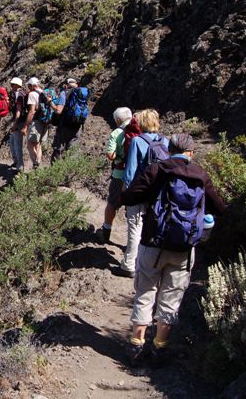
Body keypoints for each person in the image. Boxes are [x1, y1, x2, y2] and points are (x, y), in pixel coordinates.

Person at [120, 133, 226, 366]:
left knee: (145, 293)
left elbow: (128, 196)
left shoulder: (158, 170)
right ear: (190, 152)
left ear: (169, 149)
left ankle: (136, 347)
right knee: (171, 299)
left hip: (152, 243)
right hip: (184, 249)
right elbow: (219, 207)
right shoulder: (200, 175)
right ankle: (159, 348)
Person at [114, 109, 170, 278]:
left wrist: (125, 193)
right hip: (158, 193)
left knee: (134, 227)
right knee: (151, 228)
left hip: (139, 190)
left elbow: (130, 172)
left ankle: (129, 265)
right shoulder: (165, 141)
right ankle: (147, 264)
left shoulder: (137, 141)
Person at [96, 107, 132, 244]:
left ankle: (106, 231)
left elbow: (111, 155)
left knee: (112, 203)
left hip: (120, 173)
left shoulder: (117, 132)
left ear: (118, 120)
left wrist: (120, 156)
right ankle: (132, 241)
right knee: (133, 208)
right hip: (136, 175)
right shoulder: (141, 130)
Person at [51, 78, 87, 162]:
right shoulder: (81, 94)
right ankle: (70, 172)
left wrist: (50, 103)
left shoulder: (64, 93)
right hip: (77, 125)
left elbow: (58, 111)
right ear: (76, 84)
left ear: (66, 85)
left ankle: (56, 172)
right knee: (73, 151)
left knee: (58, 149)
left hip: (64, 125)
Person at [23, 77, 48, 169]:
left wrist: (25, 126)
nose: (28, 87)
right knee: (38, 144)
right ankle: (38, 163)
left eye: (29, 85)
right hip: (45, 121)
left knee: (29, 145)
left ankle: (35, 164)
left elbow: (32, 111)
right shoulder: (44, 92)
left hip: (36, 122)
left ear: (32, 85)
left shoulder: (32, 94)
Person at [8, 77, 26, 172]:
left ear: (17, 85)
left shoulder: (19, 94)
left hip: (19, 122)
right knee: (13, 143)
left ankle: (20, 166)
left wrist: (15, 123)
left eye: (12, 84)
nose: (11, 86)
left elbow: (18, 111)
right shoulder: (22, 93)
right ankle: (17, 162)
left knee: (17, 144)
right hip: (20, 121)